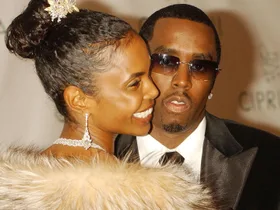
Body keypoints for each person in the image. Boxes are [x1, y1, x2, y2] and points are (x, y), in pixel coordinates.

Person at [0, 0, 217, 209]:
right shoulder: (155, 198)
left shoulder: (16, 185)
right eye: (134, 84)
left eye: (148, 75)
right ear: (79, 99)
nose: (153, 91)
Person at [115, 4, 280, 210]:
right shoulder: (99, 156)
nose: (182, 81)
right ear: (138, 65)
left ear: (214, 79)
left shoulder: (271, 158)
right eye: (167, 61)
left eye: (200, 67)